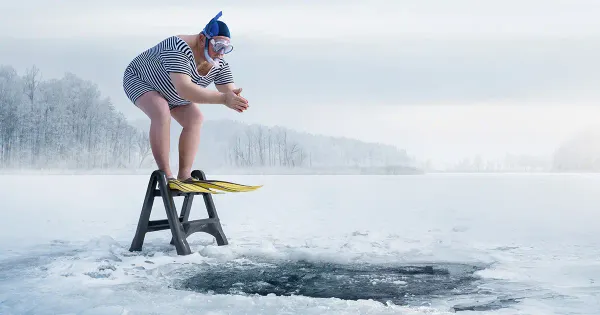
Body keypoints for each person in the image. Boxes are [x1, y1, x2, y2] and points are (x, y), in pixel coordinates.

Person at [122, 11, 248, 191]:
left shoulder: (218, 62)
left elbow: (229, 91)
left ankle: (185, 176)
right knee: (160, 110)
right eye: (218, 45)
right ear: (203, 39)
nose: (221, 53)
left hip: (173, 92)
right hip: (140, 80)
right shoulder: (178, 48)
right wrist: (222, 99)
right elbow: (185, 89)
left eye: (225, 48)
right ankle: (167, 175)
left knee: (195, 119)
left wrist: (235, 99)